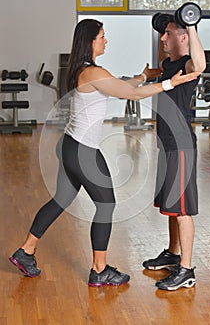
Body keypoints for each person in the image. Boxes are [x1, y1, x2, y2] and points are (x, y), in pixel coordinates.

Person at [9, 19, 200, 287]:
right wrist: (169, 83)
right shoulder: (93, 73)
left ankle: (26, 251)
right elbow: (129, 95)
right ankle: (99, 270)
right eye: (102, 36)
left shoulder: (85, 70)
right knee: (106, 205)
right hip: (84, 151)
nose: (106, 40)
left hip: (70, 146)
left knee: (61, 198)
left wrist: (144, 76)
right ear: (90, 41)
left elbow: (120, 88)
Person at [142, 17, 206, 291]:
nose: (162, 38)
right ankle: (173, 253)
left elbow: (200, 66)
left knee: (182, 211)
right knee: (171, 205)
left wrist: (191, 26)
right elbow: (162, 57)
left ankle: (186, 269)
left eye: (168, 34)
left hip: (180, 146)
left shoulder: (188, 66)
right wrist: (163, 27)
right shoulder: (169, 65)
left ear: (184, 38)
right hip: (166, 143)